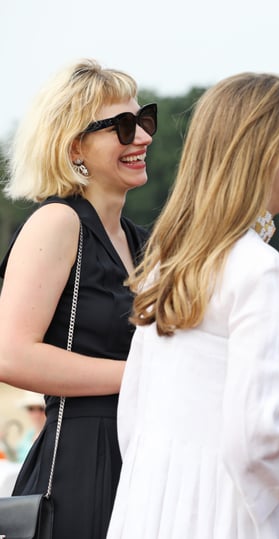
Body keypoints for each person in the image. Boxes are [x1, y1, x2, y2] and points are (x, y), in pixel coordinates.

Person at [105, 72, 279, 538]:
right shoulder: (263, 272)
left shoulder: (168, 263)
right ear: (272, 148)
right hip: (224, 512)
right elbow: (257, 440)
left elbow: (133, 415)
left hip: (151, 504)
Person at [0, 59, 153, 538]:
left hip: (141, 453)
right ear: (75, 147)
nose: (143, 137)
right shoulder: (58, 223)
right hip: (80, 460)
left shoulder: (142, 240)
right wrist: (144, 376)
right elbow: (11, 354)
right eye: (123, 127)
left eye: (143, 120)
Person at [15, 391, 47, 462]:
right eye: (31, 409)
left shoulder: (53, 437)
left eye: (41, 409)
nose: (36, 415)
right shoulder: (26, 437)